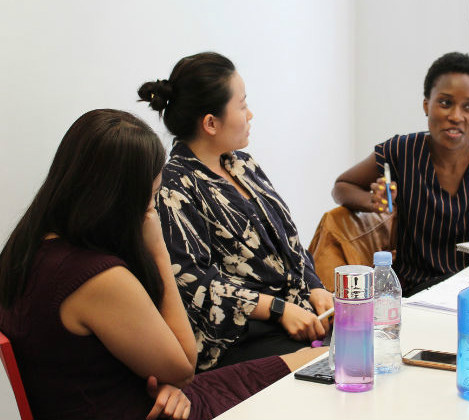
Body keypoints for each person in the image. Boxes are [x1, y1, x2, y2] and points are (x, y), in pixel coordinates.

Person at [0, 109, 326, 420]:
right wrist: (159, 252)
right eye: (152, 196)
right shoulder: (97, 278)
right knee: (317, 367)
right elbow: (183, 367)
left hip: (145, 395)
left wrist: (167, 378)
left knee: (310, 359)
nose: (153, 208)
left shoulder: (29, 247)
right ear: (121, 200)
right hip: (148, 410)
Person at [139, 52, 333, 371]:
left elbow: (289, 240)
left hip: (296, 316)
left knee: (371, 340)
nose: (250, 114)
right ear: (210, 123)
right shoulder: (173, 187)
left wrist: (314, 286)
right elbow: (192, 284)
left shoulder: (242, 164)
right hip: (240, 340)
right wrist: (278, 309)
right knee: (339, 366)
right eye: (242, 105)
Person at [332, 52, 469, 297]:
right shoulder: (402, 151)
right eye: (445, 103)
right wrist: (373, 202)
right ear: (426, 104)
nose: (456, 116)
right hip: (418, 291)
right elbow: (342, 186)